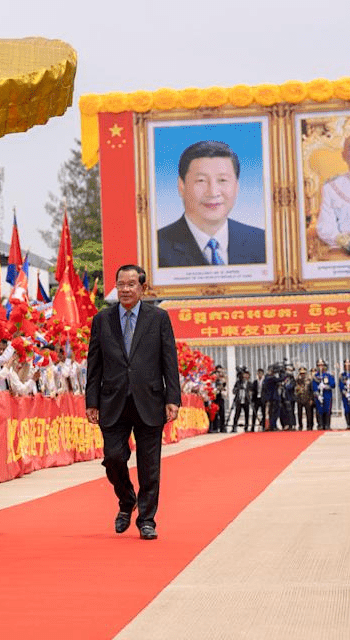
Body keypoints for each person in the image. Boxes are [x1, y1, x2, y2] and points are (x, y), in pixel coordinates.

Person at [85, 264, 179, 541]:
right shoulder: (103, 320)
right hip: (112, 400)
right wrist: (91, 400)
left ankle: (147, 519)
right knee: (113, 458)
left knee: (150, 465)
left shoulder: (158, 318)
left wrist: (172, 397)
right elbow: (94, 363)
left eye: (131, 284)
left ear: (142, 288)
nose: (125, 289)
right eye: (120, 284)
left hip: (149, 400)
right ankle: (127, 500)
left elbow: (168, 360)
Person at [157, 140, 266, 267]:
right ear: (181, 186)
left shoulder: (261, 242)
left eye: (222, 180)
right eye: (201, 180)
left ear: (237, 187)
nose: (213, 192)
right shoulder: (155, 247)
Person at [312, 359, 335, 431]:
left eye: (322, 365)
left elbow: (333, 384)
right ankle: (320, 425)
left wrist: (326, 386)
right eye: (319, 365)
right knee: (319, 410)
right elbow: (314, 386)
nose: (320, 366)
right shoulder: (315, 376)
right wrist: (317, 394)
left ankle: (327, 425)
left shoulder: (328, 375)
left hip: (327, 395)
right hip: (319, 396)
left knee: (327, 410)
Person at [230, 368, 251, 433]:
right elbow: (233, 391)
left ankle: (246, 427)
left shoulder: (249, 383)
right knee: (237, 414)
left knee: (247, 414)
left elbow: (251, 391)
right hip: (238, 401)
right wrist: (237, 389)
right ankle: (234, 427)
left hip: (246, 400)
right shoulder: (238, 383)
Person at [295, 367, 315, 431]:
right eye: (301, 373)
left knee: (309, 413)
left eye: (303, 373)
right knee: (299, 414)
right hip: (300, 398)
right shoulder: (297, 379)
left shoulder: (309, 379)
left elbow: (311, 390)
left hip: (307, 398)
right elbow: (295, 389)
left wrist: (311, 399)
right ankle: (300, 426)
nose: (302, 374)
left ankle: (309, 426)